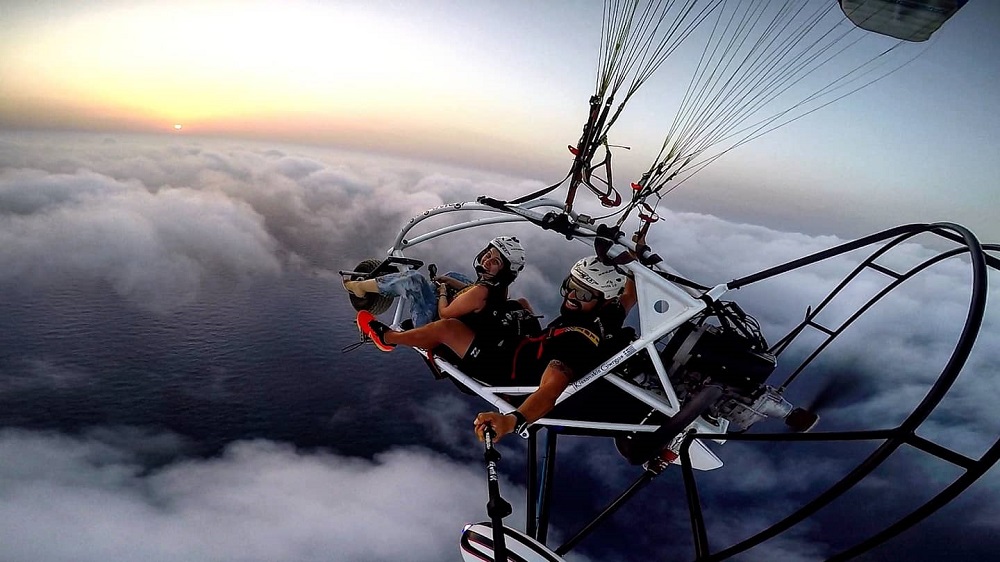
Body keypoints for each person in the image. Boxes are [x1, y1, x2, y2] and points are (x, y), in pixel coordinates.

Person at [356, 256, 636, 442]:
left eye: (584, 294)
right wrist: (634, 254)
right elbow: (629, 296)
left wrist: (510, 422)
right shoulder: (607, 316)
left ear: (601, 300)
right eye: (570, 287)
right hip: (522, 347)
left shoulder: (577, 342)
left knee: (448, 328)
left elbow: (550, 390)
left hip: (504, 371)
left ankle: (388, 337)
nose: (573, 297)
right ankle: (442, 294)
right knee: (512, 304)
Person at [344, 236, 526, 328]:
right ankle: (425, 285)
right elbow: (474, 295)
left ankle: (357, 287)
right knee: (454, 275)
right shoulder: (498, 289)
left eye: (495, 262)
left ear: (504, 271)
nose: (486, 261)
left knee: (414, 280)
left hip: (433, 322)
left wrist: (443, 292)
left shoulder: (483, 292)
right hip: (464, 317)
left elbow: (445, 313)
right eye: (488, 255)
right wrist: (447, 280)